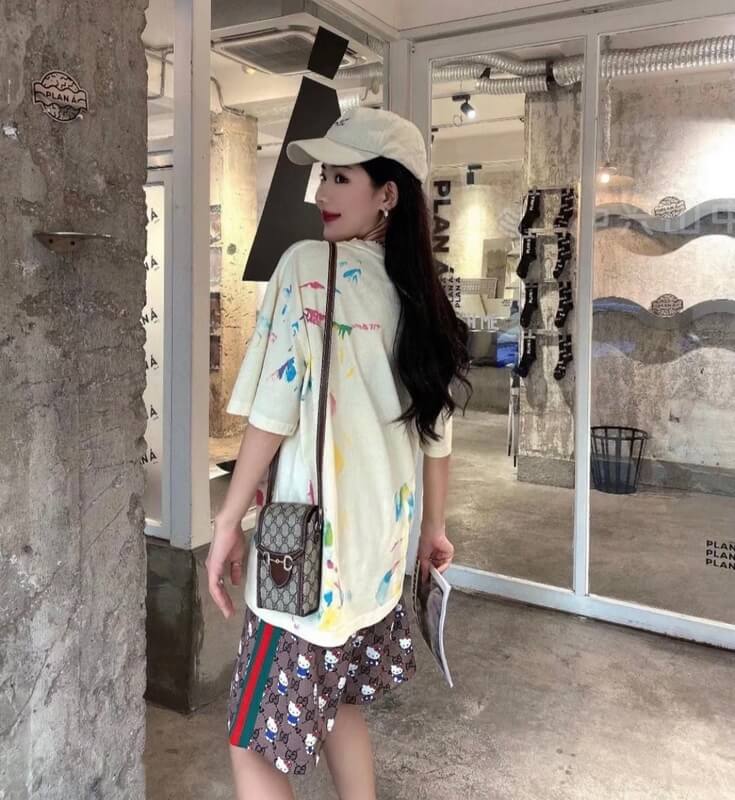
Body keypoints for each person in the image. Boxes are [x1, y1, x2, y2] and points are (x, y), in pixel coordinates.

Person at [206, 106, 472, 800]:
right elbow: (436, 435)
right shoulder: (424, 298)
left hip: (306, 562)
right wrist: (433, 530)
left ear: (387, 194)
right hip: (378, 557)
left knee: (251, 744)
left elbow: (272, 412)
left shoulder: (308, 267)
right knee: (337, 704)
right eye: (323, 176)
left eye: (341, 177)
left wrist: (227, 521)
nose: (321, 193)